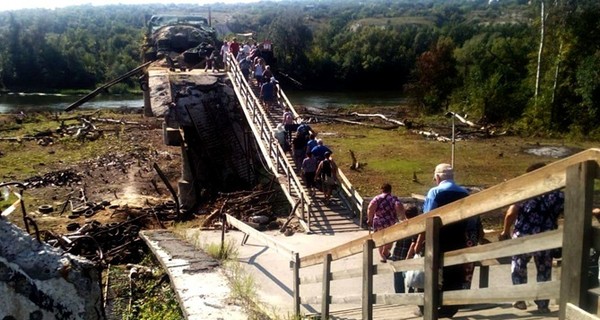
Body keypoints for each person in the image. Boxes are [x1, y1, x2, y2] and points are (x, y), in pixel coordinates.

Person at [499, 162, 564, 313]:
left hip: (524, 236)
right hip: (547, 238)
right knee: (544, 270)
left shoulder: (525, 191)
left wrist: (505, 231)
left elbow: (511, 213)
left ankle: (520, 299)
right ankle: (543, 304)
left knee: (519, 266)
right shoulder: (558, 195)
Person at [412, 163, 471, 318]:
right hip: (458, 239)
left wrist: (419, 242)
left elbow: (427, 219)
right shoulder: (464, 193)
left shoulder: (435, 192)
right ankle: (449, 308)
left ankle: (426, 307)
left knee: (427, 272)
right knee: (454, 274)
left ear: (438, 177)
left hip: (437, 239)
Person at [367, 183, 406, 263]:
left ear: (382, 189)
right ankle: (385, 251)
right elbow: (398, 205)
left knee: (380, 239)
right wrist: (402, 217)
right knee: (389, 238)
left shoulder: (377, 198)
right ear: (390, 190)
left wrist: (369, 219)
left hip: (379, 221)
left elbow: (370, 207)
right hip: (390, 221)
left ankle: (383, 256)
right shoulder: (393, 198)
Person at [390, 205, 420, 293]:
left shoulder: (398, 225)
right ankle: (411, 293)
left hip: (398, 254)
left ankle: (399, 296)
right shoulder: (418, 226)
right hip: (411, 255)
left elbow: (390, 238)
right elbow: (413, 244)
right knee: (412, 275)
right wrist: (408, 257)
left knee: (398, 277)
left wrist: (386, 249)